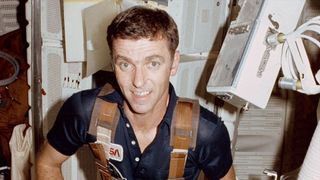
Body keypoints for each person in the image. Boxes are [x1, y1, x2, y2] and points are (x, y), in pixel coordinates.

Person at [36, 5, 236, 180]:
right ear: (113, 63)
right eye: (125, 64)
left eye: (153, 63)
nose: (138, 81)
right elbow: (47, 164)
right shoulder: (85, 111)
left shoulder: (206, 132)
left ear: (174, 63)